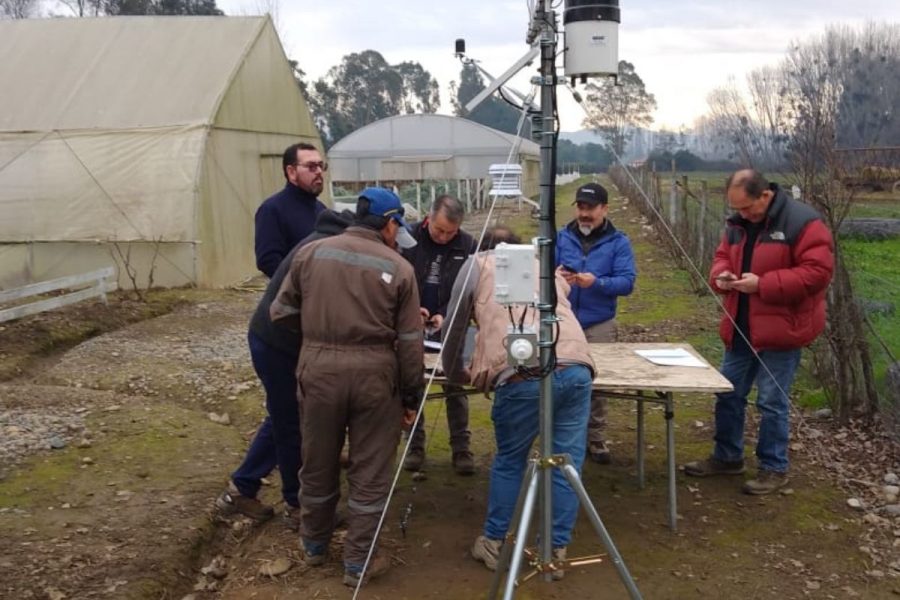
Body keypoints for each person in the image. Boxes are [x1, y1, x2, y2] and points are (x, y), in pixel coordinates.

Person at [270, 187, 424, 587]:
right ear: (389, 223)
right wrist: (411, 395)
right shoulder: (400, 268)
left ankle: (313, 546)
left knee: (317, 459)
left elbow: (281, 312)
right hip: (375, 374)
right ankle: (358, 563)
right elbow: (410, 343)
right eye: (396, 226)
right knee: (370, 470)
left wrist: (320, 336)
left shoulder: (310, 253)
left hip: (318, 369)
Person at [442, 226, 595, 581]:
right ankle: (554, 550)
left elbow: (453, 326)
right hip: (576, 368)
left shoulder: (476, 264)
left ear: (486, 248)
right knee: (565, 462)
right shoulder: (543, 264)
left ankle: (494, 542)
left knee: (511, 460)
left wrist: (453, 372)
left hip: (522, 372)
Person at [684, 169, 834, 495]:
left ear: (765, 195)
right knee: (728, 392)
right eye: (736, 208)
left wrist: (762, 285)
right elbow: (723, 255)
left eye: (747, 207)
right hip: (741, 324)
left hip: (782, 329)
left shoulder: (804, 222)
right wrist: (721, 274)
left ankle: (774, 467)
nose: (742, 214)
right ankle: (727, 457)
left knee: (771, 401)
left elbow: (817, 274)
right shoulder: (738, 224)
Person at [215, 209, 353, 527]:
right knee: (290, 423)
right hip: (276, 344)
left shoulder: (324, 242)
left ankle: (242, 486)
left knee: (281, 417)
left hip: (277, 340)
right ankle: (297, 505)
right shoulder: (322, 250)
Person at [555, 182, 636, 464]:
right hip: (564, 322)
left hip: (599, 322)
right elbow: (544, 271)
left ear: (605, 209)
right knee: (561, 378)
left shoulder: (619, 242)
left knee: (598, 381)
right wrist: (556, 276)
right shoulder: (561, 237)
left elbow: (627, 282)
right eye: (580, 207)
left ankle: (596, 438)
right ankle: (563, 436)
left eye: (590, 208)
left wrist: (596, 282)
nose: (584, 213)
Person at [401, 194, 477, 475]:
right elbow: (399, 279)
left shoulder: (468, 244)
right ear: (428, 218)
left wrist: (446, 313)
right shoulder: (406, 238)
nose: (444, 237)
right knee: (412, 383)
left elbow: (470, 288)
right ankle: (414, 446)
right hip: (411, 325)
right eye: (439, 230)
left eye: (451, 232)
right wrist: (412, 310)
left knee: (455, 385)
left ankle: (461, 448)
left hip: (452, 325)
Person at [255, 142, 328, 277]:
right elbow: (268, 261)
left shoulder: (321, 210)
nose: (319, 171)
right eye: (311, 166)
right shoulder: (272, 210)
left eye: (321, 166)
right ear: (291, 172)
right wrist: (299, 287)